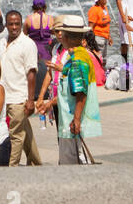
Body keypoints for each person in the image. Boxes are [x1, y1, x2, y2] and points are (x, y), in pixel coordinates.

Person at [37, 19, 101, 164]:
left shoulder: (78, 59)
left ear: (66, 37)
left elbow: (80, 93)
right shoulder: (78, 55)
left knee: (72, 159)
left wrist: (76, 119)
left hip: (71, 117)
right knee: (72, 157)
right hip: (68, 115)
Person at [0, 10, 41, 166]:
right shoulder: (1, 43)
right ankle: (36, 163)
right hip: (3, 97)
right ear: (6, 25)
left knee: (15, 135)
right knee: (23, 131)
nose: (14, 27)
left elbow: (31, 73)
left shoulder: (27, 44)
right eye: (11, 24)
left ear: (21, 24)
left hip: (19, 98)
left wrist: (30, 100)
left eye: (17, 24)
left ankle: (11, 167)